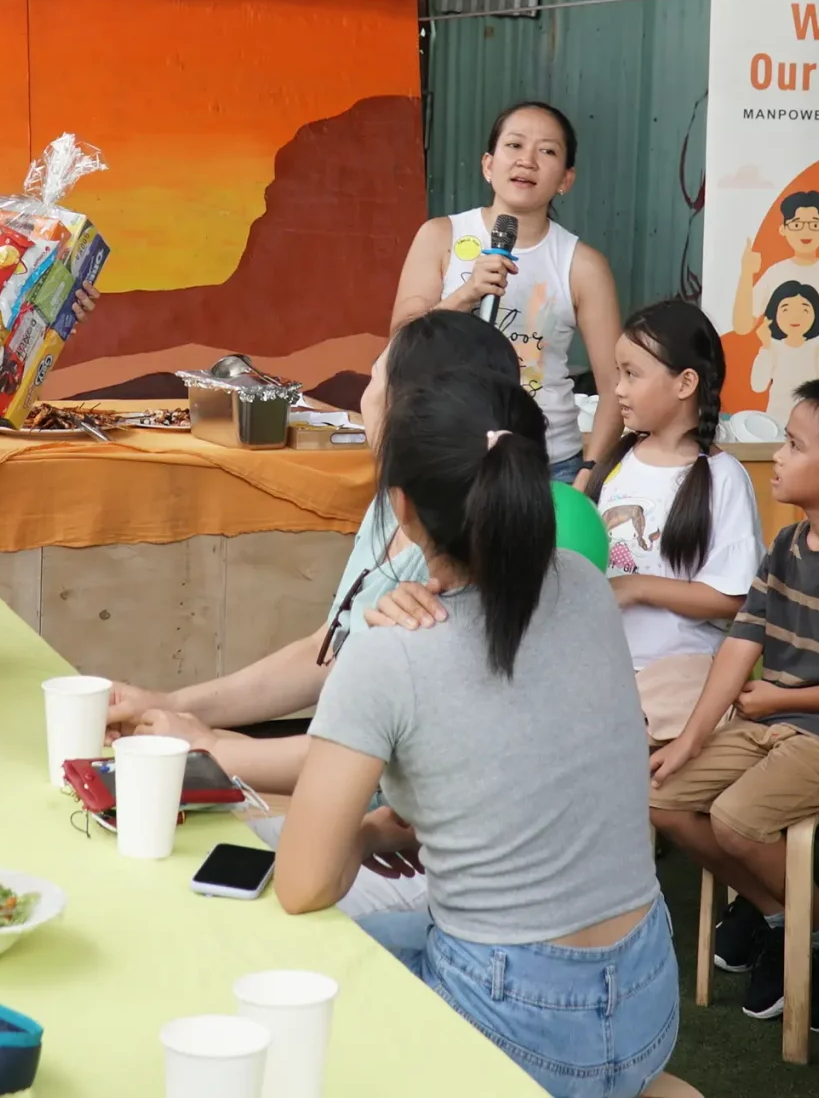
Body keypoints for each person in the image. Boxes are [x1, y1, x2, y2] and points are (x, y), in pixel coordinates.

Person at [274, 375, 676, 1098]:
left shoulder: (391, 652)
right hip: (648, 996)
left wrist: (364, 838)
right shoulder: (586, 585)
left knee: (285, 970)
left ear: (402, 508)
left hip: (514, 1017)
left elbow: (304, 886)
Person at [104, 311, 606, 801]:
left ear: (410, 411)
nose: (366, 394)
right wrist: (175, 707)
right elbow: (328, 651)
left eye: (376, 378)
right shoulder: (397, 508)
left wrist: (210, 747)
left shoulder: (450, 568)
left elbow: (370, 756)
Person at [647, 378, 819, 1029]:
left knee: (736, 819)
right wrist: (689, 739)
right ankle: (783, 915)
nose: (777, 454)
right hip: (778, 723)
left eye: (795, 444)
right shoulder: (786, 546)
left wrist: (780, 696)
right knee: (660, 798)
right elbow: (741, 642)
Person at [391, 101, 624, 488]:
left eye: (547, 151)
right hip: (448, 455)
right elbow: (401, 345)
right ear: (488, 165)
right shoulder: (440, 236)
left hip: (548, 466)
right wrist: (465, 295)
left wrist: (589, 471)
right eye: (514, 145)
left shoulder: (583, 265)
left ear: (566, 179)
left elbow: (615, 386)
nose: (527, 161)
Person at [586, 301, 761, 735]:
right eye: (618, 373)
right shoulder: (616, 463)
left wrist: (638, 587)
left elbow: (733, 597)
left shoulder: (723, 478)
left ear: (685, 383)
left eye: (632, 374)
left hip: (677, 683)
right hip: (601, 673)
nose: (618, 389)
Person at [739, 190, 819, 366]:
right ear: (783, 229)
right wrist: (746, 273)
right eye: (797, 224)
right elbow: (743, 326)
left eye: (815, 224)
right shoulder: (775, 273)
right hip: (784, 370)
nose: (805, 231)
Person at [745, 280, 819, 430]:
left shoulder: (818, 349)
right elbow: (758, 385)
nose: (795, 317)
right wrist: (766, 347)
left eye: (804, 310)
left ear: (816, 315)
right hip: (777, 421)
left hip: (809, 422)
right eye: (786, 309)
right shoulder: (772, 348)